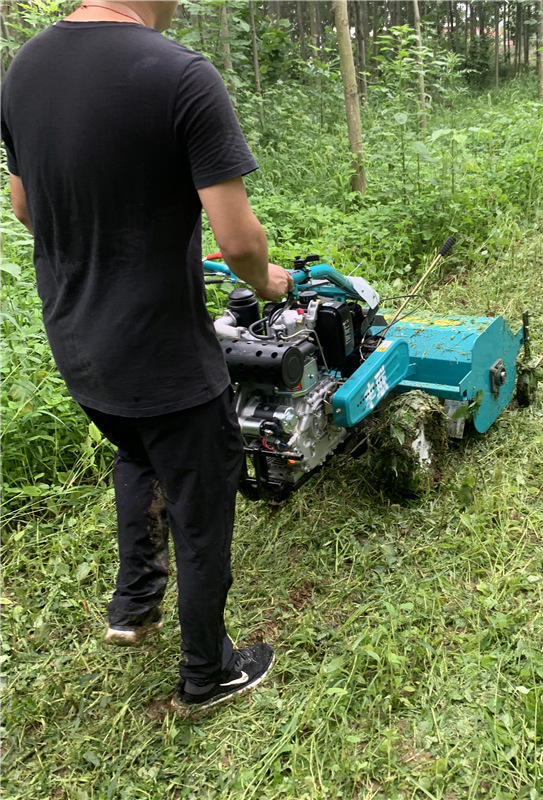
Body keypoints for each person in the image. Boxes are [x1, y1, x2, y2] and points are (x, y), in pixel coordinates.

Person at [1, 1, 293, 714]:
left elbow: (23, 209)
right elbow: (238, 242)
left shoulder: (24, 68)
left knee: (136, 453)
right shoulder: (181, 75)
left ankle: (133, 604)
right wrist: (270, 282)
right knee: (202, 512)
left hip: (78, 345)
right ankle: (208, 673)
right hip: (164, 359)